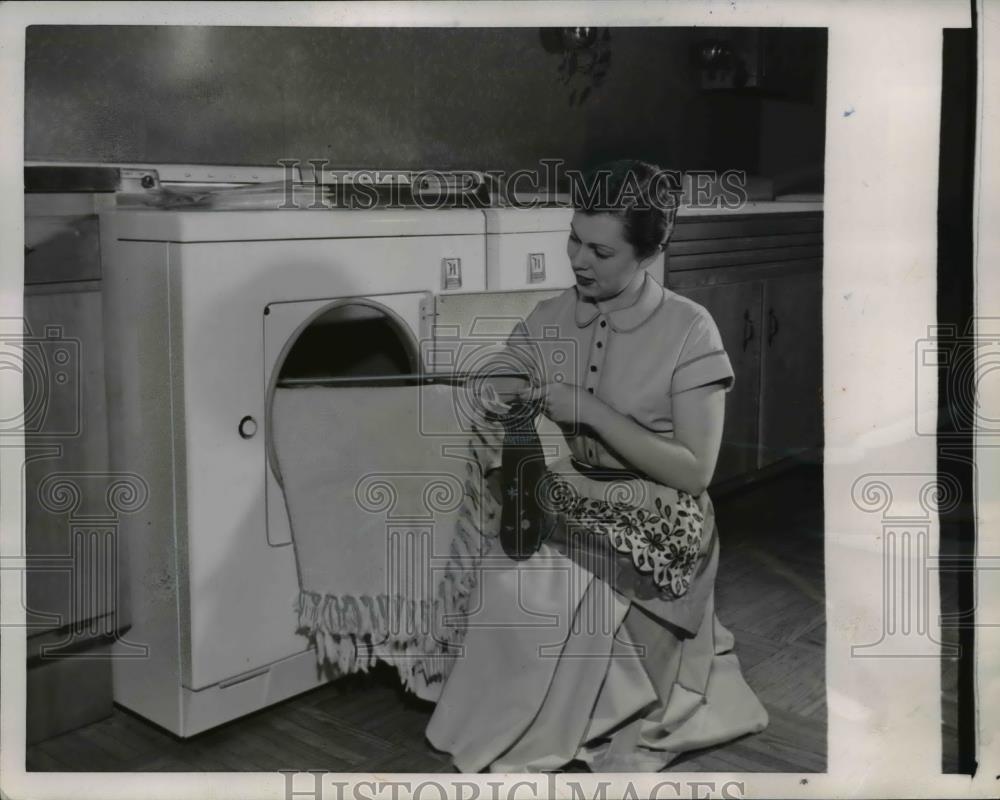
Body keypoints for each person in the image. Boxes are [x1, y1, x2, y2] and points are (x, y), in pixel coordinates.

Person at [425, 160, 769, 773]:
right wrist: (500, 382)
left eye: (601, 252)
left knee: (548, 584)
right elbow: (507, 366)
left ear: (648, 253)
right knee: (514, 568)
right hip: (579, 493)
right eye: (574, 239)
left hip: (665, 506)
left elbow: (695, 473)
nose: (579, 260)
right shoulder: (554, 315)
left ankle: (571, 718)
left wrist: (592, 412)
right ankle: (523, 720)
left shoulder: (691, 329)